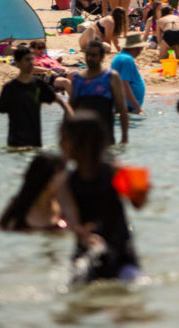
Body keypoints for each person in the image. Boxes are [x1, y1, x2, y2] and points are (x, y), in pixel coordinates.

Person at [56, 112, 142, 282]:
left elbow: (138, 204)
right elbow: (71, 218)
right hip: (86, 253)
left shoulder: (115, 171)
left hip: (122, 254)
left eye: (65, 139)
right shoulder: (65, 182)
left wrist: (139, 189)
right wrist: (82, 233)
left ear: (85, 143)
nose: (60, 144)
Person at [0, 47, 72, 149]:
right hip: (15, 144)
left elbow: (61, 103)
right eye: (27, 60)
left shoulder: (38, 85)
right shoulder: (11, 87)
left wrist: (73, 126)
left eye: (32, 59)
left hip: (35, 144)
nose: (31, 63)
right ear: (17, 63)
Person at [63, 42, 130, 145]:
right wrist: (65, 136)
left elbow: (122, 107)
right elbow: (71, 107)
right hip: (82, 137)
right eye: (87, 55)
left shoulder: (111, 77)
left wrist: (124, 137)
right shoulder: (77, 78)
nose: (89, 58)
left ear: (102, 57)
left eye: (93, 55)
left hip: (105, 137)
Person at [0, 153, 67, 231]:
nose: (66, 184)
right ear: (48, 181)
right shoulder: (17, 211)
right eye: (63, 180)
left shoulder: (68, 209)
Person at [108, 33, 147, 115]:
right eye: (141, 48)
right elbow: (124, 85)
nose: (141, 51)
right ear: (137, 48)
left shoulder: (119, 56)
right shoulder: (127, 60)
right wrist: (138, 107)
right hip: (126, 107)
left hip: (120, 104)